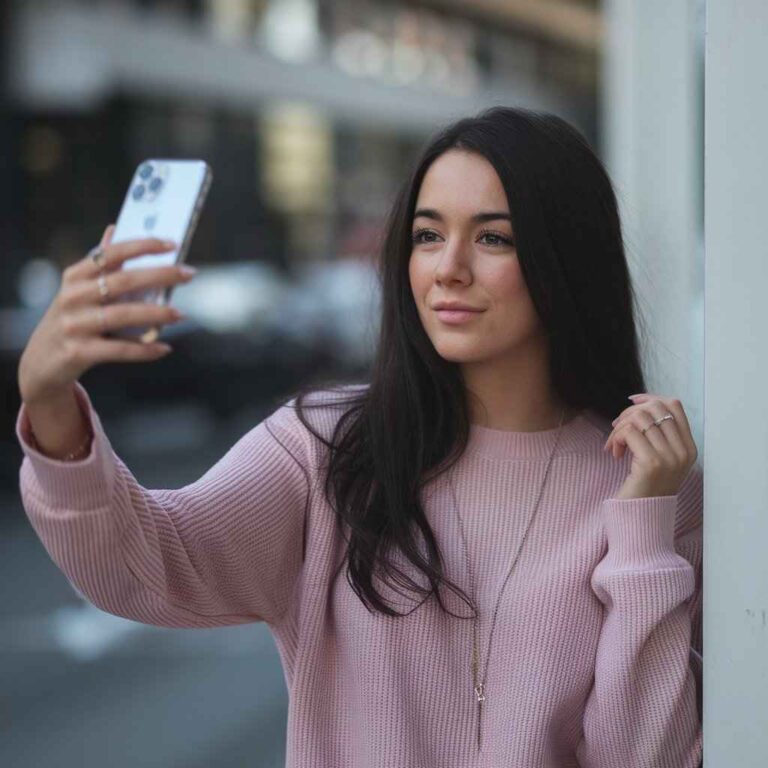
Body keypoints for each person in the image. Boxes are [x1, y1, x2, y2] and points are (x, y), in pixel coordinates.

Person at [15, 105, 703, 767]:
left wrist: (644, 528)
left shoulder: (652, 483)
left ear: (565, 258)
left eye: (494, 237)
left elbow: (645, 757)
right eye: (428, 235)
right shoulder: (325, 450)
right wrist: (50, 404)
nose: (447, 268)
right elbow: (146, 568)